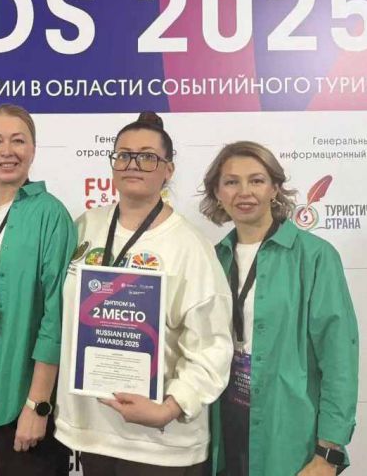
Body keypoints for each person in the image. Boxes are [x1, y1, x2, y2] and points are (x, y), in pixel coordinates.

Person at [55, 112, 233, 475]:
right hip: (92, 431)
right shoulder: (85, 226)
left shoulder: (189, 245)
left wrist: (170, 407)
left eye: (147, 157)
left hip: (159, 442)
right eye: (124, 155)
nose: (133, 164)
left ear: (168, 169)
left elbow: (212, 345)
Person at [200, 141, 358, 476]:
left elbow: (339, 358)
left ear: (274, 188)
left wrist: (328, 451)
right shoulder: (212, 258)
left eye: (256, 180)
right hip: (221, 425)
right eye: (231, 182)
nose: (244, 192)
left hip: (289, 429)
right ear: (217, 192)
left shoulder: (315, 257)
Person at [0, 104, 77, 476]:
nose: (7, 151)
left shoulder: (51, 214)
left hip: (24, 394)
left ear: (33, 149)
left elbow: (56, 316)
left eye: (18, 141)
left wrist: (38, 405)